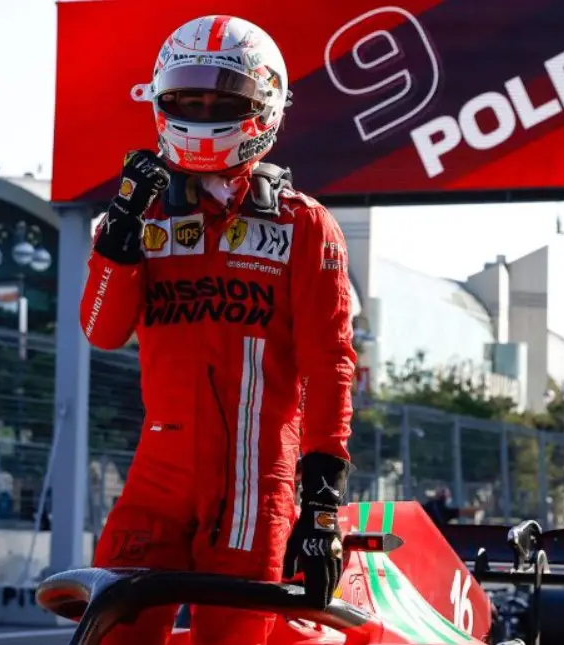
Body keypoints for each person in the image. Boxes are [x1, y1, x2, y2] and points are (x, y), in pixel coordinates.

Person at [79, 14, 358, 645]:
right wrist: (117, 239)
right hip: (156, 477)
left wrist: (322, 505)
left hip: (256, 487)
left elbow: (330, 365)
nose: (204, 111)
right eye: (189, 98)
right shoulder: (137, 216)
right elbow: (100, 330)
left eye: (223, 99)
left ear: (265, 105)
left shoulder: (303, 224)